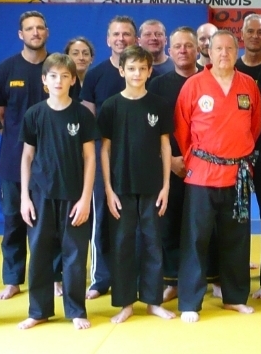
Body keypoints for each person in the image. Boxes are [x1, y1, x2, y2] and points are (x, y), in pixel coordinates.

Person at [173, 30, 261, 322]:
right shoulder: (194, 85)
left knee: (236, 237)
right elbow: (182, 129)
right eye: (218, 48)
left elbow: (254, 128)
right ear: (208, 53)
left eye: (229, 48)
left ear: (236, 52)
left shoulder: (248, 85)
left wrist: (239, 156)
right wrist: (192, 160)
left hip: (237, 175)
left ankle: (234, 297)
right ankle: (189, 302)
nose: (224, 53)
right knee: (196, 239)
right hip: (202, 174)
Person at [17, 53, 98, 330]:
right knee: (39, 252)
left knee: (74, 254)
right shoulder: (34, 114)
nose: (59, 81)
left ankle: (75, 309)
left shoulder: (82, 115)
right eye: (53, 76)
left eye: (65, 76)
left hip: (74, 195)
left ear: (73, 80)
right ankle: (38, 310)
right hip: (40, 196)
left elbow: (90, 158)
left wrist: (86, 198)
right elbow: (27, 157)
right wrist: (25, 197)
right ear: (44, 81)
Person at [0, 11, 66, 301]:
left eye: (39, 28)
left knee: (54, 224)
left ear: (47, 32)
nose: (35, 32)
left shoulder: (59, 67)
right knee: (12, 221)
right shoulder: (4, 70)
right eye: (29, 29)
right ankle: (13, 278)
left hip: (54, 163)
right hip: (13, 161)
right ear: (21, 34)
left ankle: (56, 276)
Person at [99, 45, 174, 323]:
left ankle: (153, 301)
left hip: (153, 185)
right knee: (123, 244)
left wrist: (166, 186)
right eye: (131, 68)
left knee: (153, 242)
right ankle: (125, 302)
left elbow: (165, 147)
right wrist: (108, 188)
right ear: (121, 70)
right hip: (120, 186)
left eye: (143, 68)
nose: (137, 73)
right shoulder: (111, 106)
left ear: (150, 70)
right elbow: (104, 150)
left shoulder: (158, 104)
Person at [80, 15, 139, 299]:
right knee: (102, 216)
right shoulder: (95, 75)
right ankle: (101, 278)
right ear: (108, 40)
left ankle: (135, 276)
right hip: (104, 155)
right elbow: (88, 117)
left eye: (126, 34)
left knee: (136, 218)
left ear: (135, 38)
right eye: (116, 34)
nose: (121, 39)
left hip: (136, 157)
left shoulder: (143, 71)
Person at [146, 27, 200, 302]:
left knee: (205, 226)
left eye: (188, 46)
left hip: (204, 167)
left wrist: (196, 161)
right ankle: (172, 280)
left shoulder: (209, 80)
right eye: (177, 46)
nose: (182, 51)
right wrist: (171, 161)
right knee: (168, 223)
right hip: (170, 165)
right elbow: (150, 129)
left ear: (197, 50)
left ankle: (211, 277)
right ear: (169, 51)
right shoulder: (157, 84)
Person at [235, 14, 261, 299]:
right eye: (249, 31)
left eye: (259, 31)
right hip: (232, 156)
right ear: (242, 34)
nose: (254, 36)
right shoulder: (229, 67)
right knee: (234, 220)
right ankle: (233, 279)